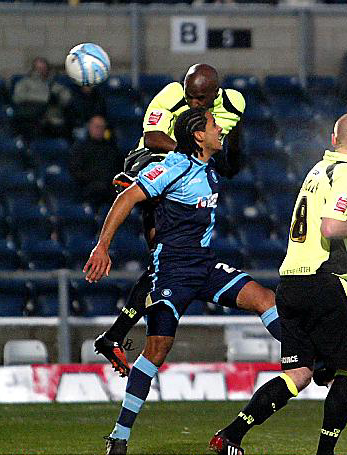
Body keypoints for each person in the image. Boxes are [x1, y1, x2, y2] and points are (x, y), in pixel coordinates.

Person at [84, 108, 278, 455]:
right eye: (214, 126)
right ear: (199, 136)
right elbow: (127, 197)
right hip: (171, 271)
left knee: (264, 298)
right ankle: (120, 436)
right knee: (156, 350)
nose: (220, 129)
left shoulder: (208, 166)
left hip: (203, 267)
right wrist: (102, 247)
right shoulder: (175, 166)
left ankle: (305, 356)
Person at [209, 113, 347, 455]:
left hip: (290, 283)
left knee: (299, 373)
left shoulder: (318, 171)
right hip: (324, 281)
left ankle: (230, 435)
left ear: (333, 139)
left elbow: (321, 224)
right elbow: (330, 228)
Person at [93, 64, 281, 377]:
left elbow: (228, 161)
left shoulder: (234, 104)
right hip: (156, 165)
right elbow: (153, 137)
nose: (191, 102)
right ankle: (140, 183)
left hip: (193, 178)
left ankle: (113, 335)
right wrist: (190, 151)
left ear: (213, 95)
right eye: (188, 95)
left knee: (160, 265)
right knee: (162, 254)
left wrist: (215, 151)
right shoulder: (170, 94)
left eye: (198, 99)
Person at [12, 57, 72, 141]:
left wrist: (57, 99)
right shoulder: (24, 83)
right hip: (31, 117)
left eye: (44, 68)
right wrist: (44, 99)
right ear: (33, 69)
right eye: (38, 68)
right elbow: (17, 97)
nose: (41, 71)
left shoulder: (55, 84)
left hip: (52, 118)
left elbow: (66, 98)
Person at [69, 115, 122, 207]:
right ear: (90, 127)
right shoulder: (80, 148)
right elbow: (76, 171)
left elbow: (118, 169)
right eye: (97, 127)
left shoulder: (111, 149)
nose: (99, 130)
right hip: (87, 188)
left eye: (102, 127)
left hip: (109, 188)